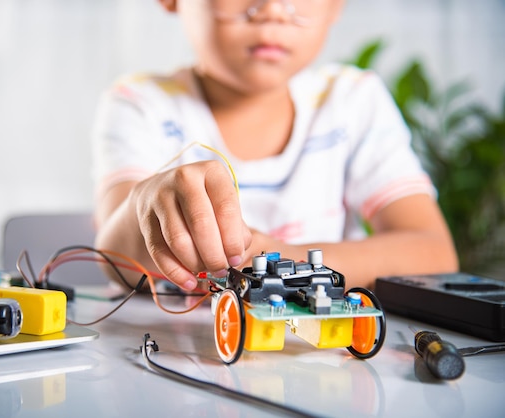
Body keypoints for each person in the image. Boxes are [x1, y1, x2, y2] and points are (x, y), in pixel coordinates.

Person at [91, 0, 458, 292]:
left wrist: (278, 264)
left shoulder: (354, 101)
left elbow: (434, 253)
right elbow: (114, 259)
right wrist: (144, 207)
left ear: (336, 5)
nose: (272, 10)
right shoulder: (140, 104)